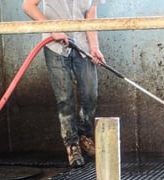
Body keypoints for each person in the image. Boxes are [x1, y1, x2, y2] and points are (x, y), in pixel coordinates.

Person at [22, 0, 106, 167]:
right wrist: (53, 29)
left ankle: (85, 136)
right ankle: (72, 144)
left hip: (82, 44)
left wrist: (94, 47)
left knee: (90, 93)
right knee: (64, 98)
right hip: (55, 46)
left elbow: (90, 14)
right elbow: (28, 6)